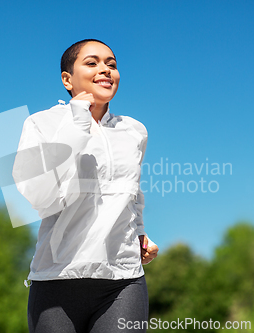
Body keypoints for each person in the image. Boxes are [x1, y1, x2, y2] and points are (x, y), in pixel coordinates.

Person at [12, 39, 159, 333]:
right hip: (57, 277)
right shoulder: (41, 124)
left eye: (112, 64)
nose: (105, 70)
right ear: (68, 79)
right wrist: (78, 122)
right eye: (92, 63)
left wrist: (141, 233)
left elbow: (132, 193)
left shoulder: (134, 131)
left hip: (123, 278)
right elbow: (39, 196)